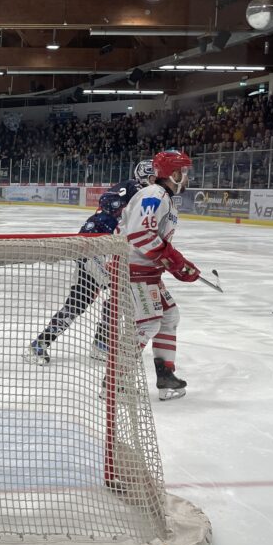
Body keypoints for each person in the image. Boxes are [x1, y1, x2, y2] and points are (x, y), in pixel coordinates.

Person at [26, 159, 154, 365]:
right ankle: (43, 344)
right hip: (93, 246)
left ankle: (95, 344)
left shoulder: (149, 198)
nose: (155, 182)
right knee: (106, 296)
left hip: (107, 249)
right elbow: (107, 200)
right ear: (142, 177)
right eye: (152, 177)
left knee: (97, 300)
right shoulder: (131, 188)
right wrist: (127, 209)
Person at [116, 150, 201, 401]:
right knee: (148, 323)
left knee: (169, 316)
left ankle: (165, 376)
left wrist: (175, 262)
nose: (187, 177)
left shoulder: (165, 197)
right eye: (184, 172)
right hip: (133, 269)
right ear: (173, 174)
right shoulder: (154, 195)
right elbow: (141, 235)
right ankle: (115, 381)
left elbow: (154, 238)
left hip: (146, 270)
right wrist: (174, 261)